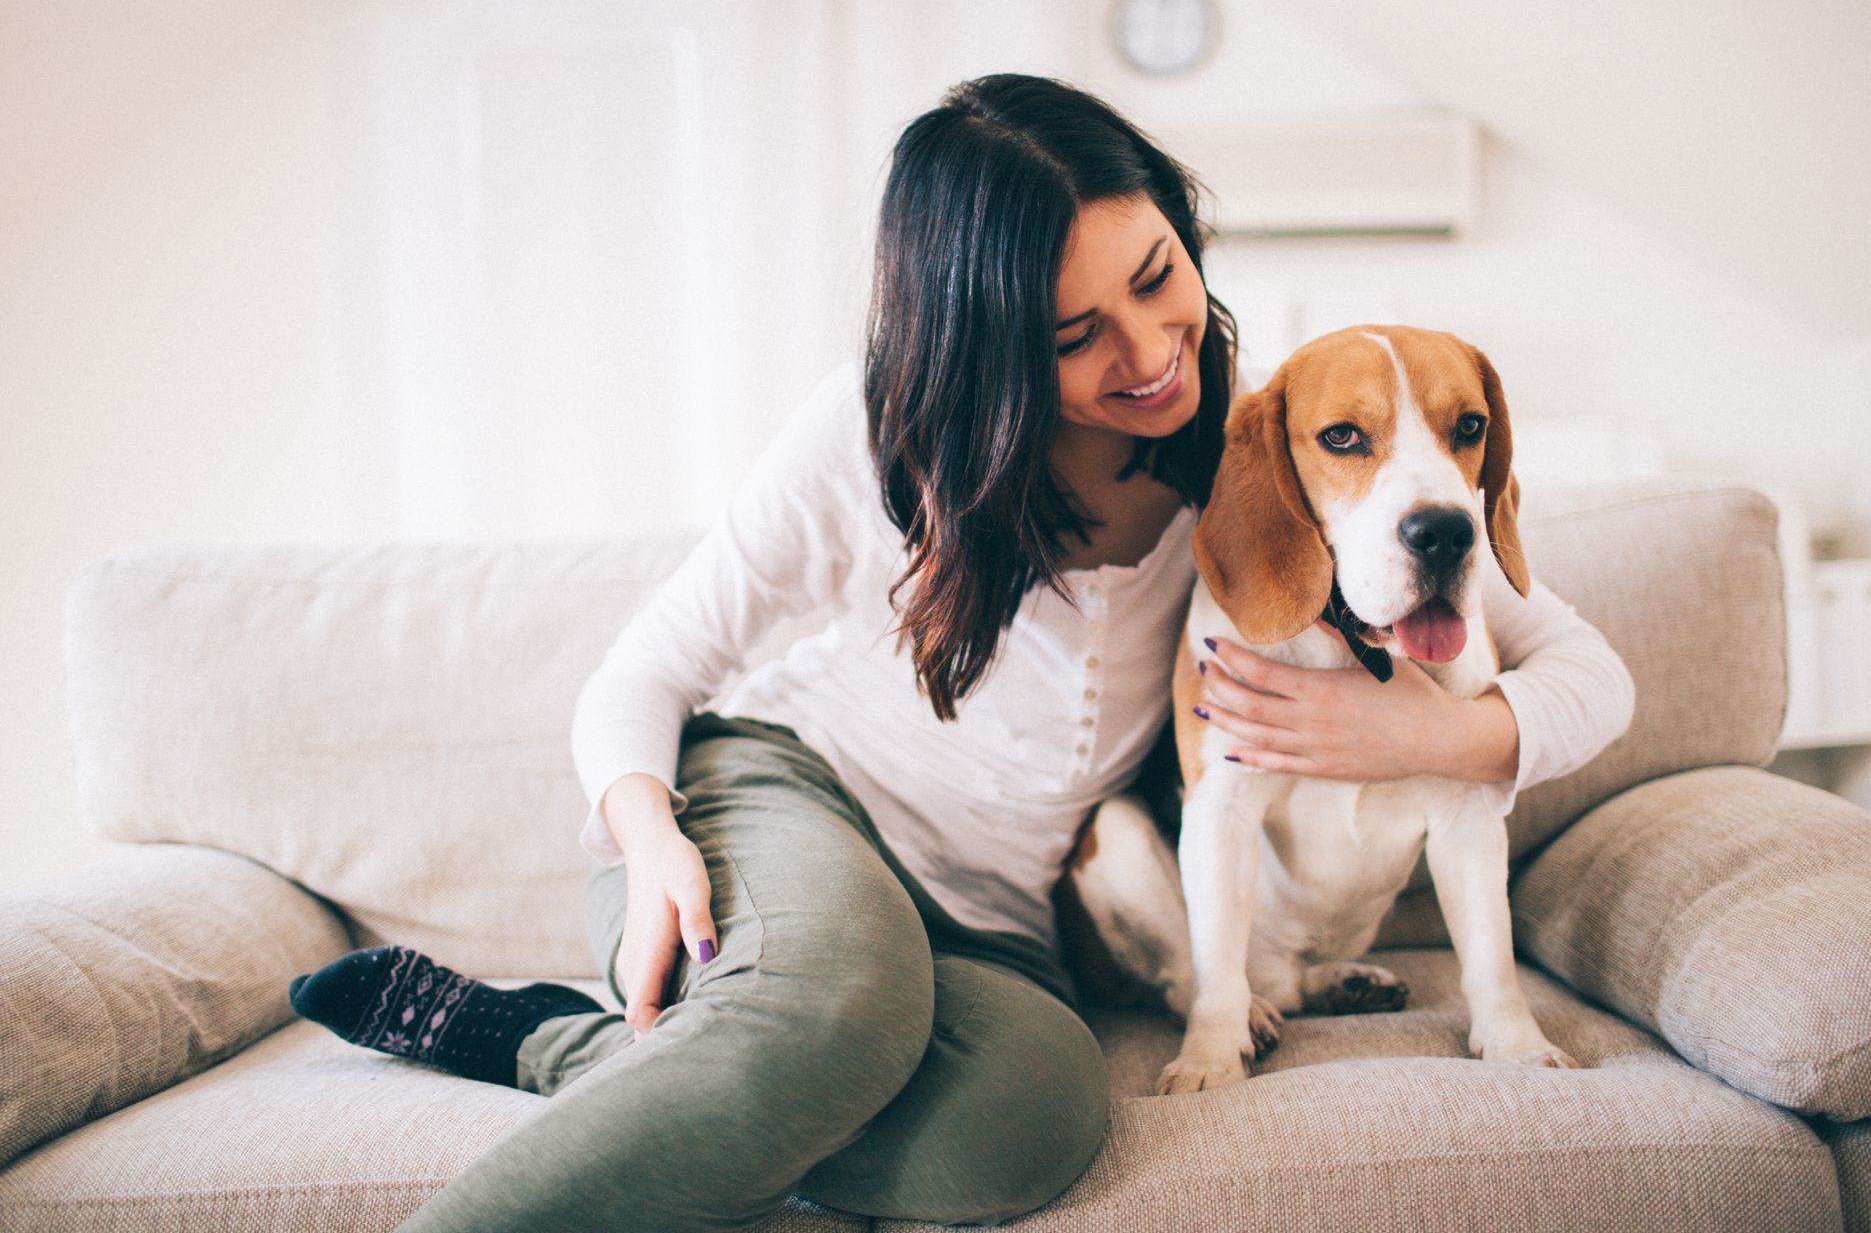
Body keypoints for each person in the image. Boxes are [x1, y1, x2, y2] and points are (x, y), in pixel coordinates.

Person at [286, 72, 1635, 1231]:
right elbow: (640, 673)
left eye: (1160, 277)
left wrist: (1425, 737)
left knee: (1023, 1131)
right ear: (987, 349)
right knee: (837, 1012)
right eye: (1074, 335)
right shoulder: (880, 438)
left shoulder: (1264, 450)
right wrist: (652, 844)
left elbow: (1580, 673)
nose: (1154, 351)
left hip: (994, 923)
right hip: (785, 813)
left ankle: (553, 1041)